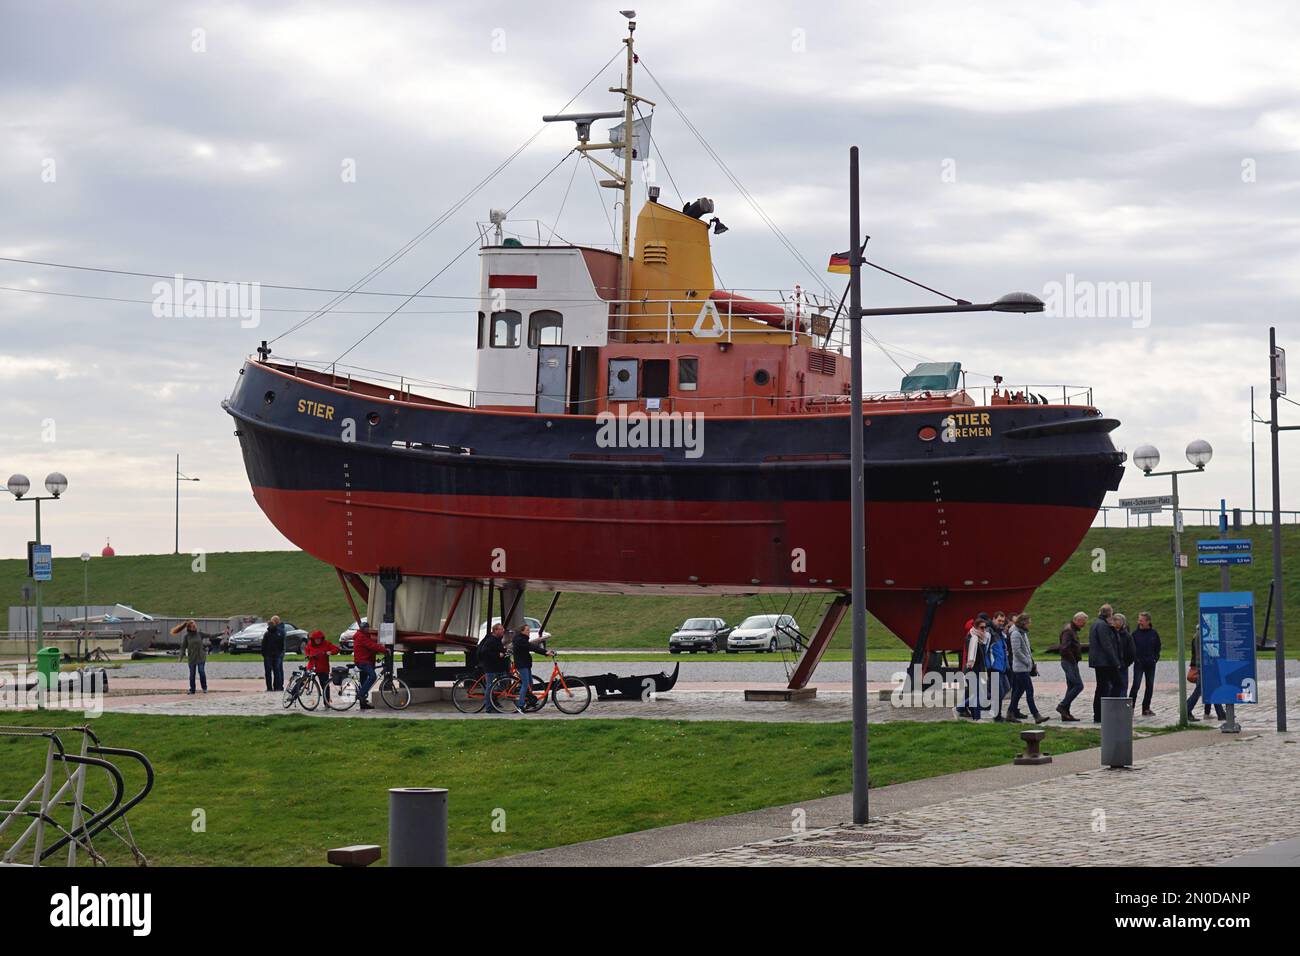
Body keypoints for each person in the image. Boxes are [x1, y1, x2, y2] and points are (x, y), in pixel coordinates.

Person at [1007, 613, 1049, 723]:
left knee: (1018, 691)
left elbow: (1027, 650)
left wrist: (1030, 662)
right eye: (1028, 622)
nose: (1030, 624)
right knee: (1029, 690)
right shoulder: (1016, 633)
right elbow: (1016, 651)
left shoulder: (1023, 633)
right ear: (1023, 622)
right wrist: (1027, 662)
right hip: (1020, 668)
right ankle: (1036, 715)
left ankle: (1010, 713)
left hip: (1025, 666)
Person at [1087, 604, 1122, 723]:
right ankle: (1106, 712)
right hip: (1105, 662)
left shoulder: (1097, 624)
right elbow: (1107, 645)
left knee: (1102, 687)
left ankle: (1099, 715)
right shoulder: (1103, 626)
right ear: (1109, 614)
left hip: (1100, 661)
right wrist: (1115, 661)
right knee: (1116, 684)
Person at [511, 622, 553, 712]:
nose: (529, 632)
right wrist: (545, 652)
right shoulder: (520, 640)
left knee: (530, 684)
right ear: (522, 631)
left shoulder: (522, 639)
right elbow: (532, 647)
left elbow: (532, 646)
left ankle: (529, 701)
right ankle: (520, 705)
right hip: (522, 665)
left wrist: (545, 651)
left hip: (525, 664)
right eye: (527, 630)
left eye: (529, 630)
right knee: (525, 684)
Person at [1185, 639, 1227, 723]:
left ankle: (1220, 713)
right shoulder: (1201, 634)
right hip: (1206, 665)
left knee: (1211, 688)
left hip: (1204, 664)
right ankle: (1186, 709)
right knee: (1200, 689)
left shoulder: (1198, 634)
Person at [1056, 612, 1087, 721]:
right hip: (1069, 662)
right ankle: (1062, 706)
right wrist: (1073, 660)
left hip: (1071, 662)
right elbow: (1064, 648)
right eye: (1083, 622)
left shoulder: (1071, 630)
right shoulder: (1069, 631)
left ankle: (1065, 714)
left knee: (1071, 687)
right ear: (1077, 620)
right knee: (1078, 685)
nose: (1084, 625)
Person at [1129, 611, 1161, 716]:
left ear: (1148, 621)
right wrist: (1135, 659)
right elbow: (1131, 648)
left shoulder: (1154, 633)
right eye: (1139, 620)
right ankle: (1130, 707)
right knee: (1136, 685)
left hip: (1150, 664)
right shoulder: (1135, 634)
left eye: (1141, 620)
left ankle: (1146, 708)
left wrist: (1155, 659)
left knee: (1150, 686)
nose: (1139, 622)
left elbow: (1158, 647)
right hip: (1139, 663)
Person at [958, 616, 989, 720]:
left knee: (976, 695)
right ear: (976, 627)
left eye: (985, 627)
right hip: (972, 671)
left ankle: (972, 715)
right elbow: (971, 659)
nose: (984, 629)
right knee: (976, 695)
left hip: (977, 671)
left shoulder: (979, 639)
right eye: (981, 627)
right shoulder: (973, 638)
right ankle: (964, 710)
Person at [352, 624, 387, 710]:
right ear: (362, 629)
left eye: (368, 627)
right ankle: (360, 694)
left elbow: (370, 647)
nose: (368, 629)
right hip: (363, 661)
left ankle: (363, 704)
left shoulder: (364, 636)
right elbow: (371, 645)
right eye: (366, 628)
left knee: (363, 682)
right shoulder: (361, 636)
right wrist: (384, 650)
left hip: (365, 660)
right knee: (373, 676)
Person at [477, 622, 509, 714]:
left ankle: (493, 699)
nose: (503, 631)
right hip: (490, 667)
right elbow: (485, 652)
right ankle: (488, 706)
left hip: (497, 666)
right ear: (495, 631)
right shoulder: (491, 640)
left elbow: (498, 648)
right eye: (501, 629)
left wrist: (505, 650)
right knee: (490, 686)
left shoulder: (497, 639)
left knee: (502, 684)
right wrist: (497, 654)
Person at [303, 629, 339, 704]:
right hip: (312, 667)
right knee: (302, 682)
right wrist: (308, 655)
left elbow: (336, 649)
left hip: (323, 669)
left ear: (322, 639)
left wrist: (331, 652)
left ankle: (327, 702)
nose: (318, 640)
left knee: (325, 686)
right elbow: (306, 650)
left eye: (319, 639)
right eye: (316, 639)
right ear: (313, 639)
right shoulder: (310, 644)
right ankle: (293, 695)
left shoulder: (326, 644)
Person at [986, 612, 1011, 721]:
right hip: (994, 667)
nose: (1001, 623)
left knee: (1005, 688)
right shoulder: (989, 632)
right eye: (999, 620)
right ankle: (997, 715)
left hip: (1002, 667)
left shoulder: (999, 633)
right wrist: (989, 666)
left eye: (1002, 621)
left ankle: (991, 707)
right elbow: (985, 650)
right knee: (998, 692)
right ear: (994, 619)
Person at [171, 619, 207, 694]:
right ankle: (192, 690)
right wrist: (180, 657)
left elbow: (211, 635)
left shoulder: (200, 634)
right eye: (193, 626)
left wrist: (222, 633)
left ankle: (204, 688)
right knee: (192, 674)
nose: (195, 627)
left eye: (195, 626)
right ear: (189, 628)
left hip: (201, 657)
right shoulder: (187, 637)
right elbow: (183, 648)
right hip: (192, 658)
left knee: (201, 671)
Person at [1113, 613, 1136, 698]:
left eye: (1117, 620)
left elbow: (1132, 652)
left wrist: (1126, 663)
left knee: (1123, 686)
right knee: (1111, 687)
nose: (1115, 622)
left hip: (1122, 665)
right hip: (1112, 665)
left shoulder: (1126, 636)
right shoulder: (1110, 634)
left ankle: (1121, 707)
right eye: (1114, 620)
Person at [262, 615, 287, 692]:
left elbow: (264, 645)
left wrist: (264, 654)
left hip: (274, 654)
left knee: (274, 671)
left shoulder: (277, 632)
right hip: (276, 654)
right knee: (277, 670)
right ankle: (278, 687)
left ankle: (275, 687)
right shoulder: (280, 631)